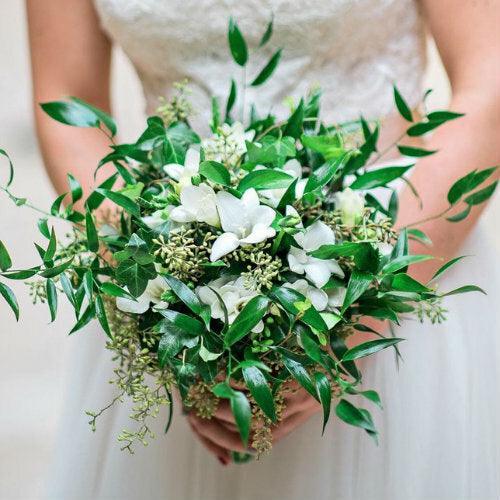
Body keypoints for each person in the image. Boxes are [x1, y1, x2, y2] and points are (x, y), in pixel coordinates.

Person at [26, 1, 500, 498]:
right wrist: (158, 294)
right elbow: (67, 100)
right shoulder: (168, 287)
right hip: (177, 264)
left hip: (389, 251)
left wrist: (356, 317)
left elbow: (488, 84)